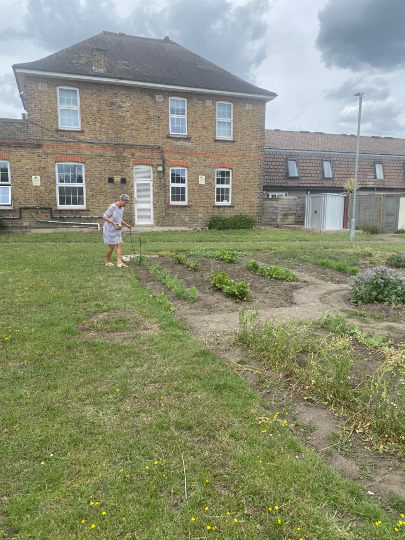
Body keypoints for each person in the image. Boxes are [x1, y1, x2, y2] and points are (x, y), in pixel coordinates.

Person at [103, 194, 132, 267]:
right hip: (109, 229)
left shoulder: (122, 209)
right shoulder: (112, 207)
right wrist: (113, 223)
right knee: (111, 246)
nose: (126, 204)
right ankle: (107, 261)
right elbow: (104, 216)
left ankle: (119, 262)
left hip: (117, 228)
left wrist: (126, 225)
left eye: (127, 203)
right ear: (120, 200)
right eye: (125, 202)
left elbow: (119, 219)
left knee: (120, 244)